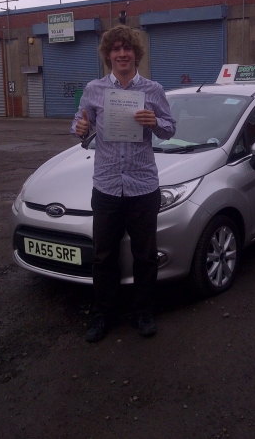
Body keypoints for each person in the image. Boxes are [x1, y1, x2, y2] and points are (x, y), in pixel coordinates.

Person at [71, 25, 176, 342]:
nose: (121, 54)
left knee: (145, 255)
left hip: (142, 187)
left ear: (136, 54)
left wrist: (155, 122)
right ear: (108, 56)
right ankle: (103, 314)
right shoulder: (93, 89)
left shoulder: (153, 90)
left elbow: (170, 129)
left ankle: (142, 312)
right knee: (103, 256)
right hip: (105, 187)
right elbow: (80, 126)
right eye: (115, 49)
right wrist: (80, 127)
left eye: (126, 48)